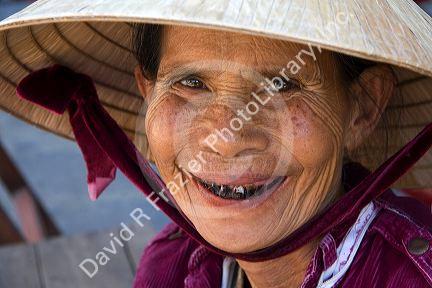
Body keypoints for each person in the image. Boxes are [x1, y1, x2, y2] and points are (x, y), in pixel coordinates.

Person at [0, 1, 431, 287]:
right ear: (148, 93)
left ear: (362, 109)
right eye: (191, 82)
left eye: (281, 84)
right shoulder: (174, 259)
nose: (224, 139)